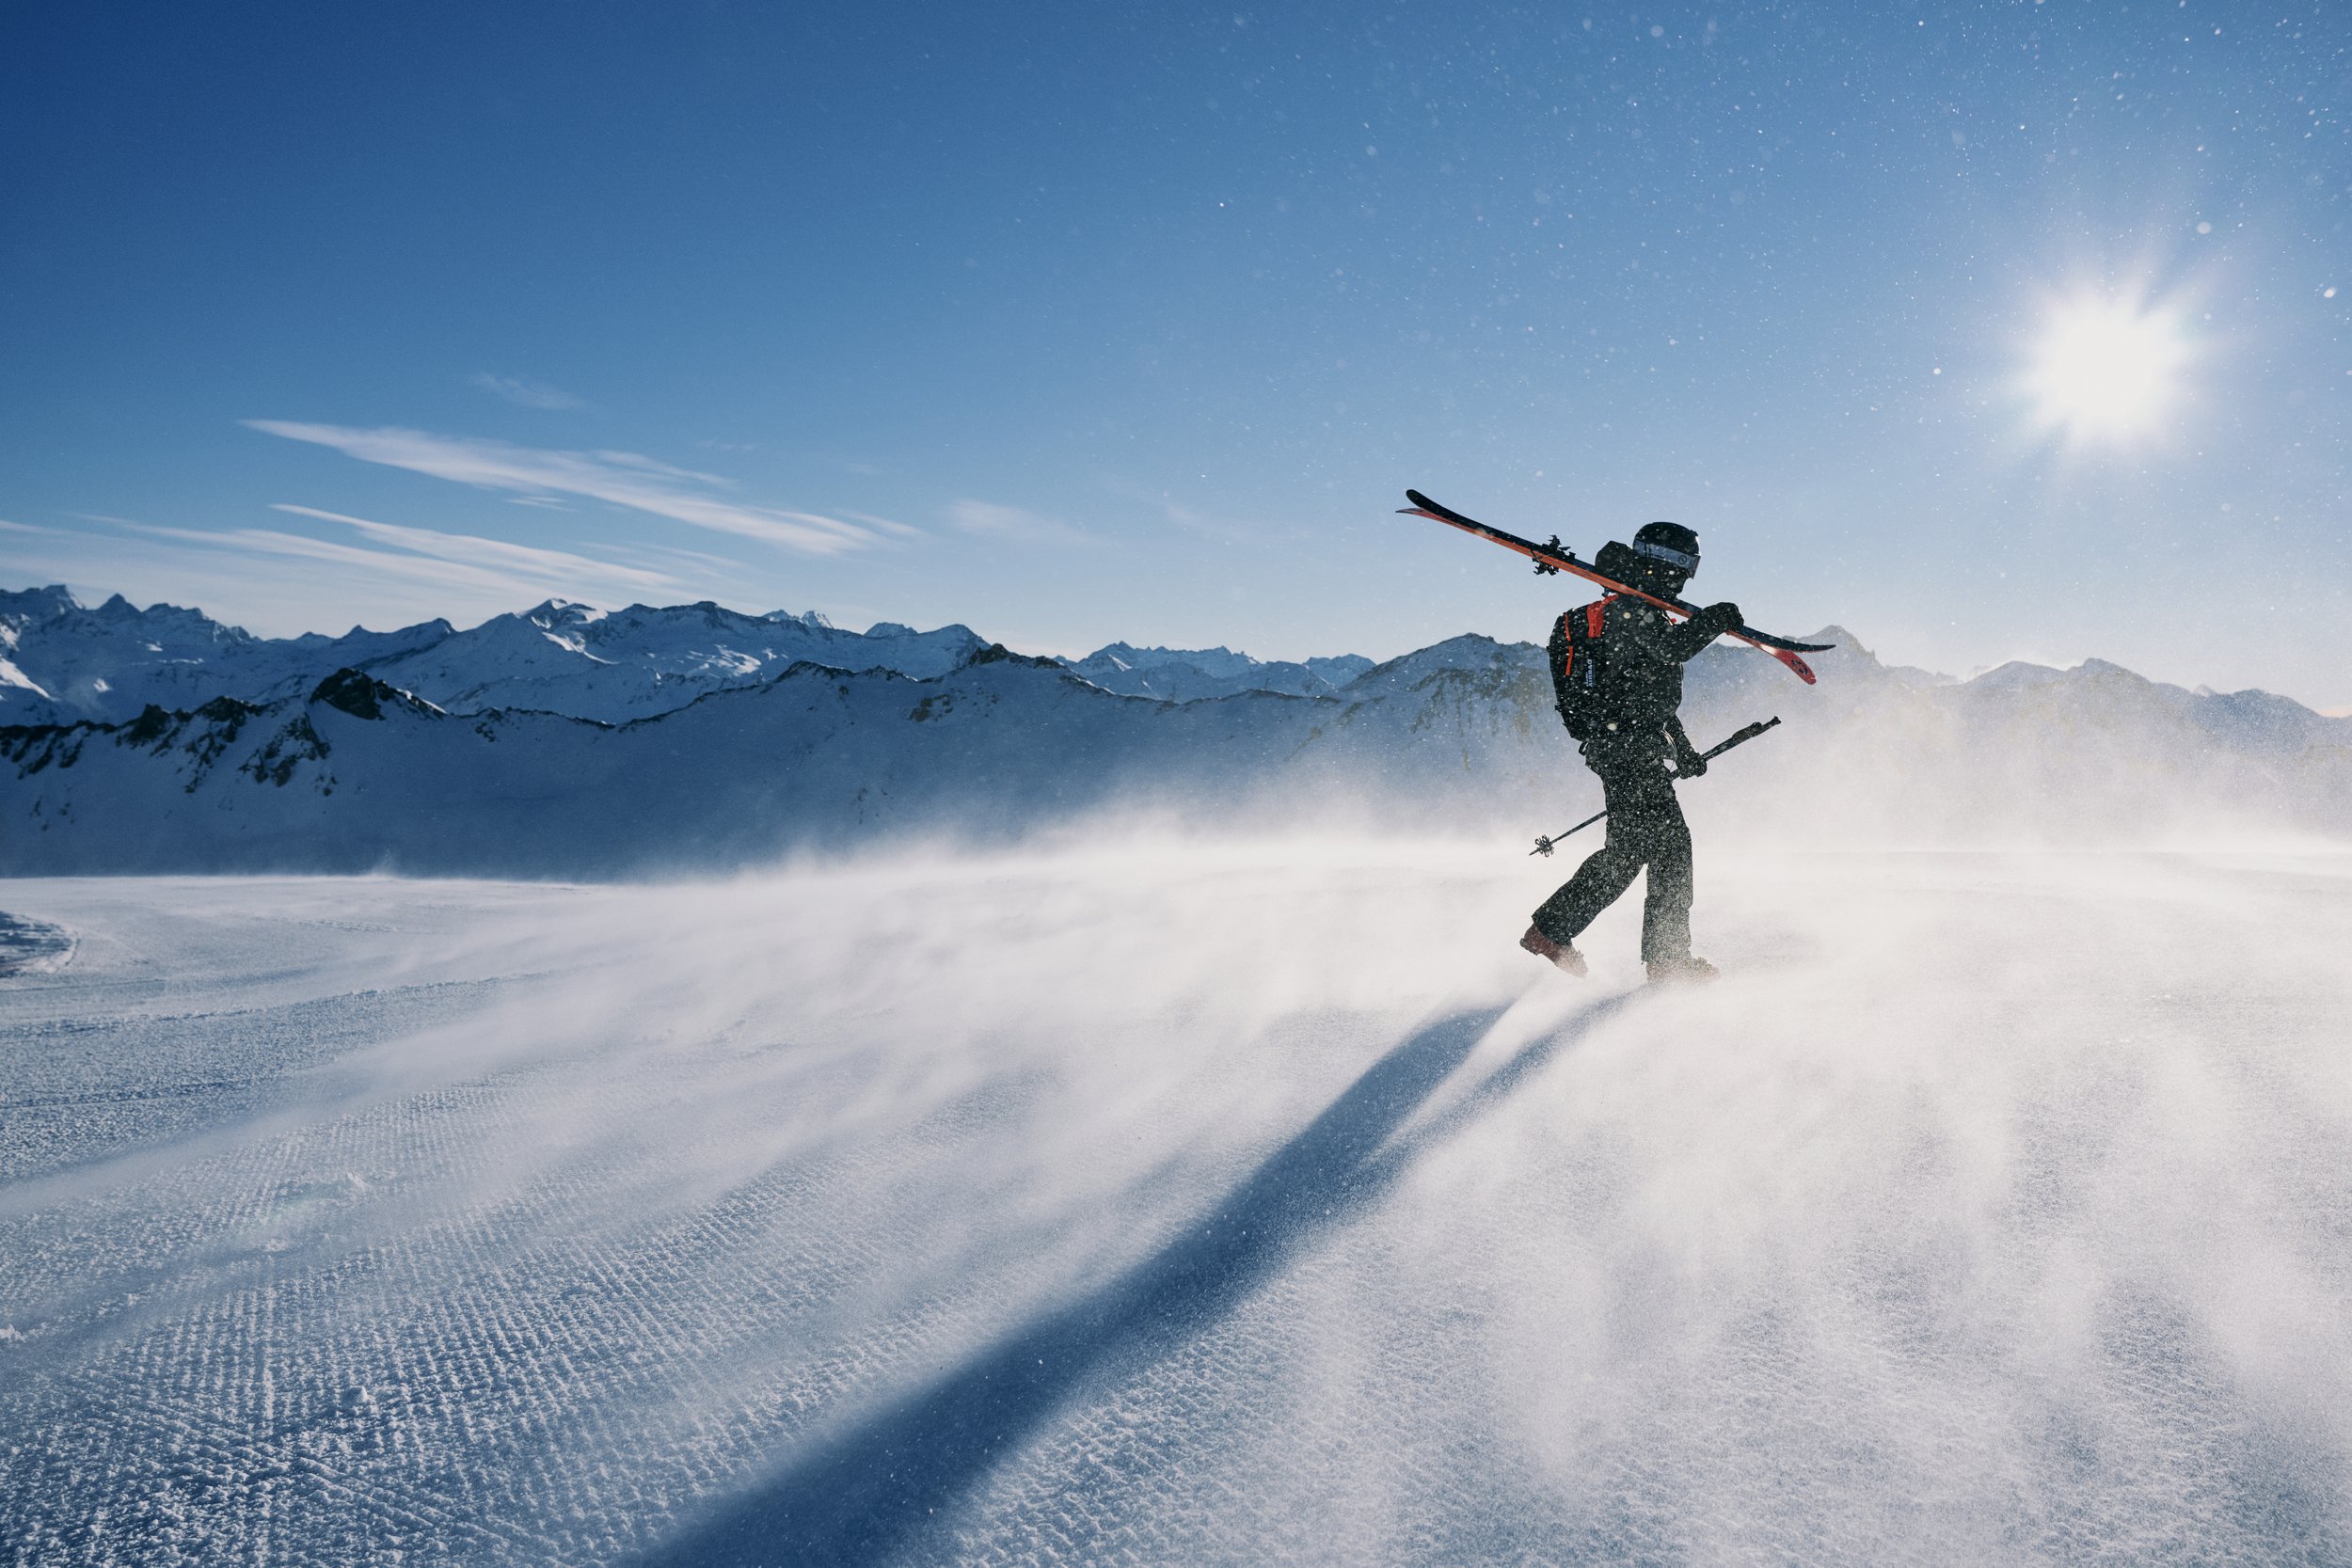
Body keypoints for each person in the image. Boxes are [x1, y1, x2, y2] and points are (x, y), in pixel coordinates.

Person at [1518, 521, 1743, 984]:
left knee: (1635, 851)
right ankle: (1664, 960)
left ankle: (1557, 931)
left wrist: (1682, 749)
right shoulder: (1627, 611)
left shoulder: (1638, 611)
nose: (1683, 576)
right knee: (1666, 852)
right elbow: (1674, 649)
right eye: (1680, 564)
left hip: (1630, 745)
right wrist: (1716, 618)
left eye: (1691, 567)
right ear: (1655, 559)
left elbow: (1648, 698)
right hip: (1624, 749)